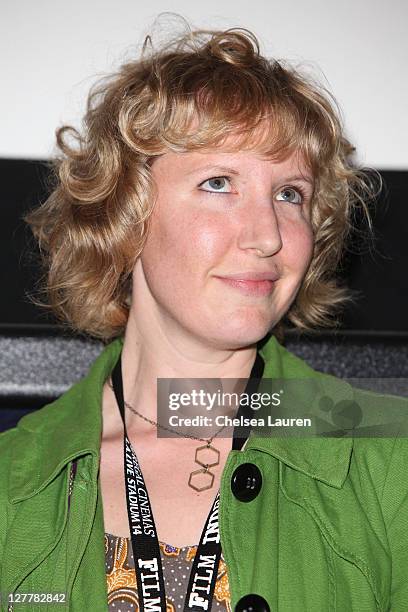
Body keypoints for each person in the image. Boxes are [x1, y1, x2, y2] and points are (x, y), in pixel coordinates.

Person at [0, 22, 407, 612]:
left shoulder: (388, 460)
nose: (267, 235)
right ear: (124, 213)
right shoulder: (15, 484)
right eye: (219, 183)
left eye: (289, 194)